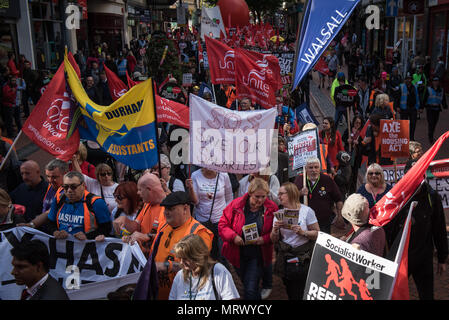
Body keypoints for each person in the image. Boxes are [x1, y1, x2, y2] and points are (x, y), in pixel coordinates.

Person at [384, 162, 448, 300]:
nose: (417, 179)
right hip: (401, 258)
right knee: (393, 294)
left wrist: (442, 258)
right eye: (413, 175)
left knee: (426, 295)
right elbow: (387, 228)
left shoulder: (432, 197)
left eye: (420, 175)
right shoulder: (396, 198)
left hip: (424, 257)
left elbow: (439, 229)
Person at [219, 178, 278, 300]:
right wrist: (234, 237)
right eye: (257, 196)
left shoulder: (272, 208)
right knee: (248, 285)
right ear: (250, 193)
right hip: (237, 253)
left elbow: (276, 231)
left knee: (250, 288)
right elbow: (222, 225)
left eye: (263, 196)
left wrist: (264, 239)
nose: (260, 200)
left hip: (258, 254)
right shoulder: (236, 205)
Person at [151, 191, 214, 300]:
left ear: (185, 208)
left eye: (171, 209)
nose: (166, 212)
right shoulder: (164, 226)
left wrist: (167, 266)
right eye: (165, 209)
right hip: (159, 292)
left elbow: (199, 265)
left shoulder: (199, 233)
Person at [271, 182, 319, 300]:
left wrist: (303, 233)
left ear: (291, 194)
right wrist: (275, 230)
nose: (279, 196)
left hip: (303, 257)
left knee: (301, 288)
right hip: (286, 257)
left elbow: (318, 234)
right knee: (289, 288)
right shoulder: (279, 214)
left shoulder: (307, 211)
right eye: (279, 194)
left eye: (282, 193)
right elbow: (273, 240)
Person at [169, 234, 240, 300]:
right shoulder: (179, 276)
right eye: (180, 258)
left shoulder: (218, 271)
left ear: (197, 255)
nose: (181, 262)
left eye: (185, 258)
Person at [46, 171, 112, 241]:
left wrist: (87, 236)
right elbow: (50, 223)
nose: (69, 190)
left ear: (83, 186)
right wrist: (55, 232)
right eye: (65, 187)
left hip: (86, 248)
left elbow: (107, 228)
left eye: (73, 187)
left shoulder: (96, 202)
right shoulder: (59, 199)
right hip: (62, 247)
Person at [115, 173, 167, 255]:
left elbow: (167, 237)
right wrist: (125, 221)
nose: (138, 193)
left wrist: (145, 236)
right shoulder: (147, 203)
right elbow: (137, 226)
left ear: (149, 189)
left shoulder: (170, 207)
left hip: (159, 260)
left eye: (140, 190)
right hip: (144, 257)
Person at [191, 168, 233, 261]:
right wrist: (190, 188)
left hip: (221, 220)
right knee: (205, 253)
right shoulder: (195, 175)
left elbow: (229, 198)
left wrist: (227, 216)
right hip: (203, 221)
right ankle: (208, 274)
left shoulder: (223, 175)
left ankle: (223, 273)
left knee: (223, 253)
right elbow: (195, 202)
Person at [295, 157, 344, 234]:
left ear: (319, 169)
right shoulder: (299, 180)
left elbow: (338, 199)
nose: (314, 170)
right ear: (306, 169)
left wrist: (340, 216)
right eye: (310, 168)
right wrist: (300, 193)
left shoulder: (327, 179)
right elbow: (291, 198)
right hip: (304, 221)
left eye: (316, 167)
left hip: (324, 222)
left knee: (322, 244)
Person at [422, 77, 447, 144]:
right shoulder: (429, 89)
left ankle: (431, 135)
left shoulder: (441, 90)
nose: (436, 82)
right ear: (432, 82)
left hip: (437, 109)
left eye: (437, 81)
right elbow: (425, 98)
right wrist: (421, 107)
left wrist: (445, 106)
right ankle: (430, 137)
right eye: (434, 81)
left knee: (434, 124)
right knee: (431, 123)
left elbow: (443, 99)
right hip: (430, 109)